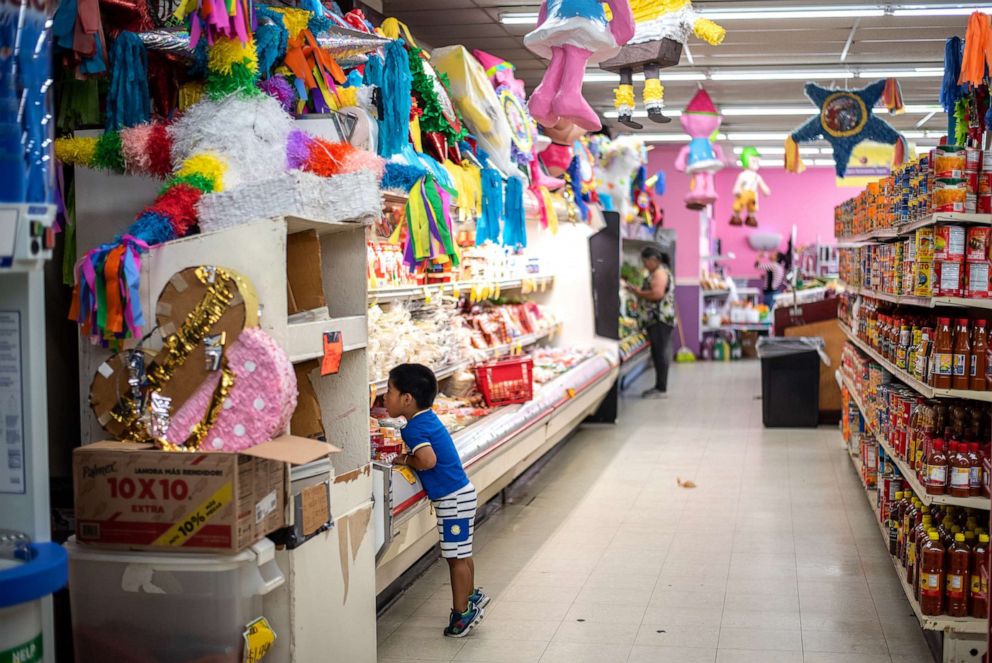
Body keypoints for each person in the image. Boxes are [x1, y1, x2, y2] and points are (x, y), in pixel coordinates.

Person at [385, 363, 489, 637]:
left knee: (454, 559)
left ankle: (461, 614)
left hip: (452, 499)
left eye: (389, 391)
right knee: (463, 554)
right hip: (462, 492)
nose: (385, 397)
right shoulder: (427, 417)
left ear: (407, 399)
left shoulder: (412, 429)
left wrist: (405, 459)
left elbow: (427, 461)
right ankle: (470, 598)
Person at [624, 246, 676, 398]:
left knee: (660, 353)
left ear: (653, 260)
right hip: (657, 319)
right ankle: (660, 387)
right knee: (658, 352)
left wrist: (638, 292)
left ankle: (661, 388)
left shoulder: (660, 273)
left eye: (645, 261)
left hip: (659, 319)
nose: (644, 265)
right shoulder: (658, 272)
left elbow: (657, 293)